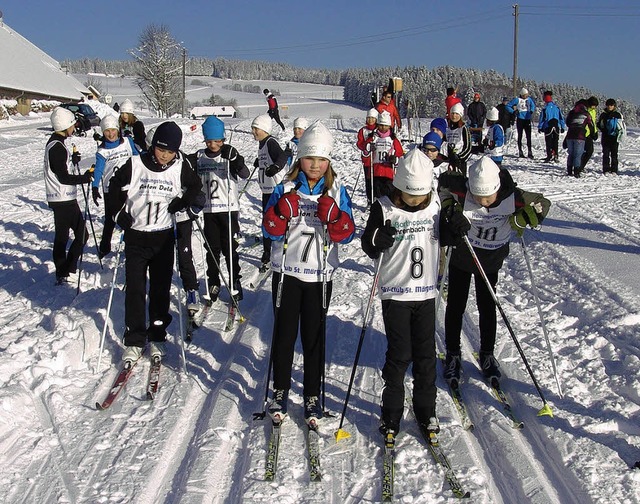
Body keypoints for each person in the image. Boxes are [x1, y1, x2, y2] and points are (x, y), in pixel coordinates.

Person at [262, 121, 355, 424]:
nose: (315, 165)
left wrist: (336, 217)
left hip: (319, 277)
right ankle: (280, 389)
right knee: (284, 335)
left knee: (314, 337)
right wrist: (278, 213)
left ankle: (312, 393)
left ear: (329, 161)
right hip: (286, 274)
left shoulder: (337, 190)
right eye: (309, 158)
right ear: (300, 158)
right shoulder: (283, 188)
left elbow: (348, 233)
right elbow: (270, 231)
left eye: (321, 159)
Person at [438, 157, 550, 385]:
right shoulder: (463, 190)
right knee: (456, 305)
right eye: (477, 198)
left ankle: (487, 354)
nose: (482, 202)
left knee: (488, 306)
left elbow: (542, 203)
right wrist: (449, 208)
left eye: (487, 198)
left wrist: (527, 217)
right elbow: (443, 186)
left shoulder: (513, 197)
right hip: (463, 255)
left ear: (497, 188)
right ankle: (453, 353)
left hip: (490, 260)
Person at [108, 121, 204, 364]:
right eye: (161, 150)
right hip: (136, 237)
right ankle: (134, 339)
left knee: (160, 290)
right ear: (153, 147)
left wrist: (182, 203)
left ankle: (158, 335)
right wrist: (118, 214)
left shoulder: (179, 167)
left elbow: (195, 186)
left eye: (170, 152)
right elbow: (113, 187)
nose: (165, 156)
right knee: (136, 289)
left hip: (162, 238)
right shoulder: (136, 164)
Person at [361, 148, 441, 437]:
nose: (417, 202)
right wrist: (376, 238)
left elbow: (455, 231)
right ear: (399, 188)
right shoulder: (383, 207)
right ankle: (391, 413)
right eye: (411, 197)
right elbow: (368, 244)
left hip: (426, 293)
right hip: (395, 293)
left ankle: (426, 410)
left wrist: (457, 227)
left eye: (421, 196)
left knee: (426, 356)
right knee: (399, 355)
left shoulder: (437, 205)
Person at [187, 115, 250, 303]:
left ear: (223, 139)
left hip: (228, 210)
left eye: (217, 141)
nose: (213, 145)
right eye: (210, 141)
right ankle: (213, 281)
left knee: (230, 248)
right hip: (209, 210)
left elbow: (245, 174)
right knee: (212, 249)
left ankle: (235, 281)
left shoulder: (228, 154)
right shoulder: (199, 156)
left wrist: (236, 159)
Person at [44, 107, 94, 285]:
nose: (75, 127)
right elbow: (63, 177)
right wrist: (85, 178)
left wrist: (73, 161)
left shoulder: (57, 143)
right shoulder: (57, 147)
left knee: (72, 236)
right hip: (62, 199)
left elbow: (61, 169)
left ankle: (64, 269)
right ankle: (64, 270)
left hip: (63, 198)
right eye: (73, 124)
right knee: (71, 236)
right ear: (65, 126)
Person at [92, 114, 139, 258]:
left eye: (113, 130)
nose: (111, 134)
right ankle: (104, 248)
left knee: (132, 217)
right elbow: (99, 170)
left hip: (129, 186)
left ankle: (133, 247)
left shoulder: (127, 142)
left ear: (118, 130)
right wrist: (95, 187)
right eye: (107, 131)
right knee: (111, 218)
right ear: (103, 132)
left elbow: (137, 156)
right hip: (110, 189)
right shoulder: (101, 151)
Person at [252, 114, 289, 273]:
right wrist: (259, 162)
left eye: (256, 129)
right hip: (266, 189)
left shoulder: (270, 142)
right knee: (267, 221)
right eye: (253, 129)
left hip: (276, 189)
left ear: (265, 129)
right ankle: (268, 251)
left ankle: (274, 251)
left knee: (274, 220)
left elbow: (283, 156)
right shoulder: (262, 144)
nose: (253, 131)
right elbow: (266, 160)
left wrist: (276, 167)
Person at [364, 111, 404, 200]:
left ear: (389, 126)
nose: (383, 127)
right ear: (377, 125)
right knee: (377, 192)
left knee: (388, 193)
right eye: (381, 125)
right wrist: (368, 149)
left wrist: (395, 159)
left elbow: (400, 154)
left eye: (386, 125)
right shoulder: (373, 138)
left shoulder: (393, 139)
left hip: (388, 171)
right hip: (375, 171)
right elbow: (365, 155)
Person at [564, 100, 594, 178]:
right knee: (578, 154)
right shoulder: (586, 114)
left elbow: (567, 123)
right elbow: (591, 124)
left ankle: (569, 170)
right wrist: (593, 134)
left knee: (571, 154)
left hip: (570, 135)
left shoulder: (572, 112)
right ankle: (577, 171)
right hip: (580, 136)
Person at [597, 98, 626, 175]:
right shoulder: (603, 115)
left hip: (615, 137)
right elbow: (599, 124)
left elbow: (622, 126)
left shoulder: (618, 115)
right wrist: (603, 129)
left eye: (611, 105)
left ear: (614, 106)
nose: (610, 106)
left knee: (614, 154)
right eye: (608, 105)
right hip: (606, 137)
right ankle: (606, 169)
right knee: (606, 154)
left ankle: (614, 170)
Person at [355, 108, 378, 204]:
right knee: (368, 181)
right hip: (367, 160)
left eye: (372, 118)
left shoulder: (379, 129)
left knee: (377, 181)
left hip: (378, 160)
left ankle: (377, 199)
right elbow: (359, 143)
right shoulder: (363, 130)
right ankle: (370, 200)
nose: (370, 120)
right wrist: (366, 145)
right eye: (369, 118)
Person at [506, 88, 536, 158]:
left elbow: (533, 106)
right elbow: (508, 106)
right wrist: (513, 111)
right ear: (522, 94)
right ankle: (520, 151)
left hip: (527, 119)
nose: (526, 96)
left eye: (527, 95)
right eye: (525, 95)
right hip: (520, 119)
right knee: (520, 136)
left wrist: (531, 111)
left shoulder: (529, 99)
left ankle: (530, 151)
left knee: (528, 136)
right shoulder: (517, 100)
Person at [537, 91, 565, 163]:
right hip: (556, 126)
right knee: (555, 141)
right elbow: (561, 118)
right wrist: (563, 126)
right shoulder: (557, 108)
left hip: (548, 126)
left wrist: (540, 127)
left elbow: (542, 119)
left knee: (548, 142)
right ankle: (555, 155)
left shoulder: (545, 109)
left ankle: (549, 155)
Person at [446, 103, 472, 175]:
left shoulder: (463, 128)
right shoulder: (448, 128)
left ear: (460, 115)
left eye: (457, 114)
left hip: (460, 161)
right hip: (449, 160)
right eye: (452, 113)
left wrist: (460, 157)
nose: (454, 116)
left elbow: (468, 146)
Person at [580, 96, 599, 172]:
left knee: (590, 151)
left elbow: (593, 122)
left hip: (589, 134)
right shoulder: (584, 110)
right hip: (582, 133)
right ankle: (578, 166)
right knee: (580, 151)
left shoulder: (593, 111)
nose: (594, 107)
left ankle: (581, 166)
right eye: (594, 105)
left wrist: (595, 131)